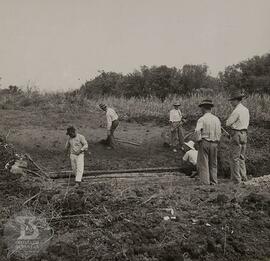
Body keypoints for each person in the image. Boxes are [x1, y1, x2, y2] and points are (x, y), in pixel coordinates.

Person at [195, 99, 221, 185]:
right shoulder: (216, 119)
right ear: (210, 108)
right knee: (213, 163)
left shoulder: (202, 119)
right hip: (215, 143)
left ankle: (205, 182)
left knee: (204, 163)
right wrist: (217, 141)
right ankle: (214, 181)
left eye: (201, 108)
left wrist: (198, 140)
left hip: (205, 142)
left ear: (203, 108)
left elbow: (197, 131)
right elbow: (219, 132)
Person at [226, 90, 250, 184]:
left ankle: (236, 179)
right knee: (241, 157)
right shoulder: (246, 110)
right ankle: (244, 177)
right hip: (244, 133)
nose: (231, 102)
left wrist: (231, 124)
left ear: (236, 100)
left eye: (232, 100)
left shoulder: (237, 110)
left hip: (237, 134)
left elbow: (228, 123)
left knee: (234, 157)